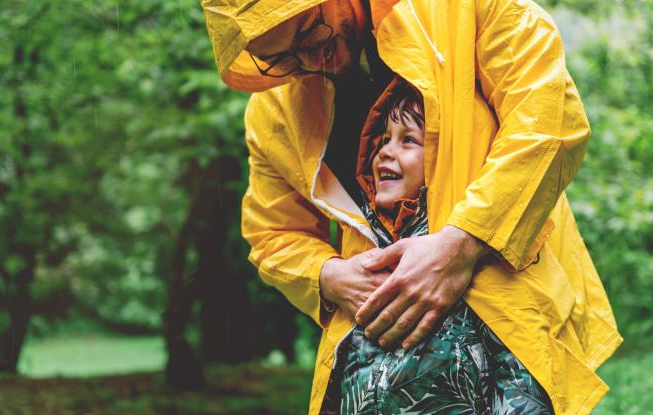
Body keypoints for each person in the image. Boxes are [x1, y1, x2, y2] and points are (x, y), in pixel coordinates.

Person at [200, 0, 622, 414]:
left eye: (310, 30)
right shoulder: (274, 113)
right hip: (374, 371)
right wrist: (327, 275)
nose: (310, 59)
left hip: (508, 336)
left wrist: (464, 242)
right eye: (280, 58)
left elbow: (548, 122)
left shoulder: (466, 8)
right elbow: (272, 233)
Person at [336, 76, 552, 414]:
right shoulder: (364, 241)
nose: (385, 152)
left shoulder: (472, 254)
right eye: (383, 140)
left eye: (408, 140)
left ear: (440, 158)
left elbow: (519, 371)